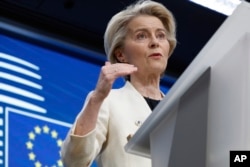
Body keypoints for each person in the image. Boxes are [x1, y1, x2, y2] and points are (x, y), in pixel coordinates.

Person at [61, 0, 177, 166]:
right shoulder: (107, 101)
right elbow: (74, 161)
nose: (155, 42)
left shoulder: (181, 109)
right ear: (121, 54)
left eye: (160, 35)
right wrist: (97, 98)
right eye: (142, 36)